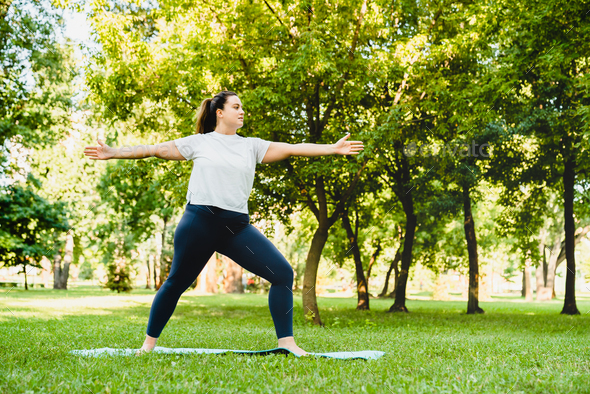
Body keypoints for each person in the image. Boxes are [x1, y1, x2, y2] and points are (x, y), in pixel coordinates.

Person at [84, 90, 364, 356]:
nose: (242, 111)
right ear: (219, 112)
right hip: (200, 222)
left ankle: (287, 342)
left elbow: (292, 148)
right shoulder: (200, 142)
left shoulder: (251, 146)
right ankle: (147, 345)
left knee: (281, 274)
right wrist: (113, 152)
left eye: (241, 107)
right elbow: (154, 149)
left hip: (236, 228)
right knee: (176, 283)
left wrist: (332, 149)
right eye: (236, 107)